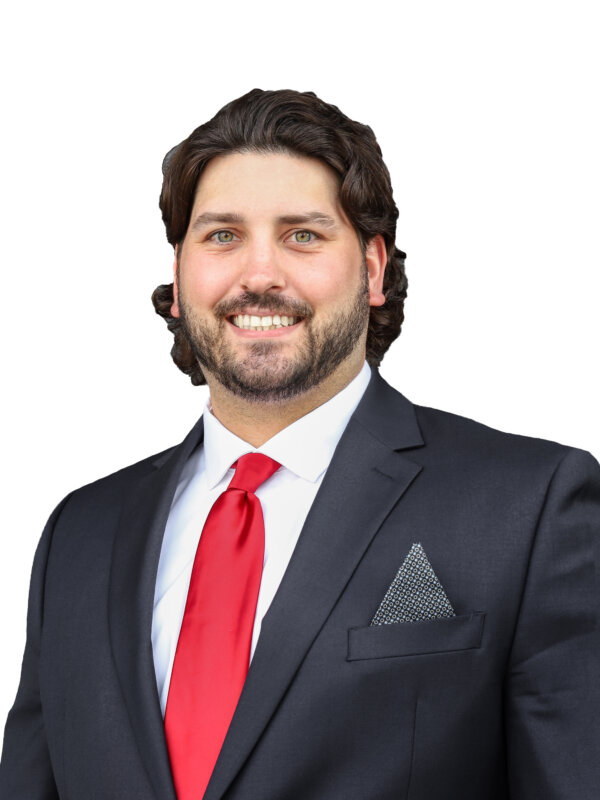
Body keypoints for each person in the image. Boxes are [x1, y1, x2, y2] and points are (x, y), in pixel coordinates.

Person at [1, 88, 598, 800]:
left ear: (374, 270)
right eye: (221, 235)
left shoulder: (529, 509)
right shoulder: (79, 535)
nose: (259, 275)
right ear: (179, 272)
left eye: (303, 235)